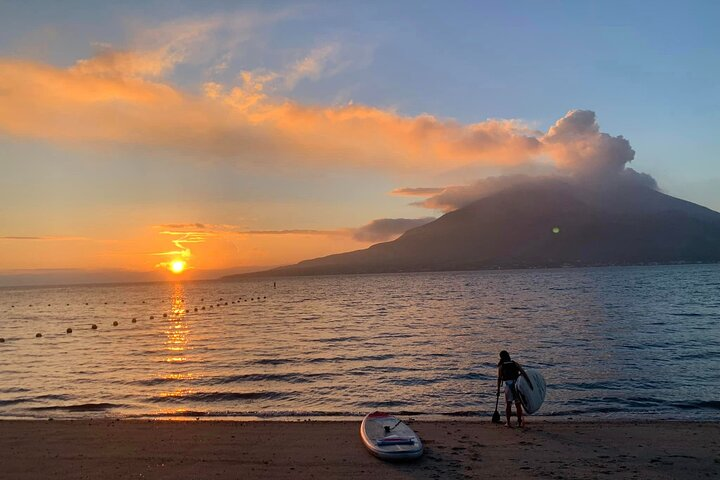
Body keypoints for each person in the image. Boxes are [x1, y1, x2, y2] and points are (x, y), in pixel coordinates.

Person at [497, 350, 532, 428]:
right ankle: (519, 422)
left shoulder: (501, 366)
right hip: (517, 385)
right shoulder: (515, 364)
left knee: (508, 404)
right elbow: (523, 373)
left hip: (508, 386)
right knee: (518, 404)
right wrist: (529, 383)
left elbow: (499, 379)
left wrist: (498, 390)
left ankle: (508, 422)